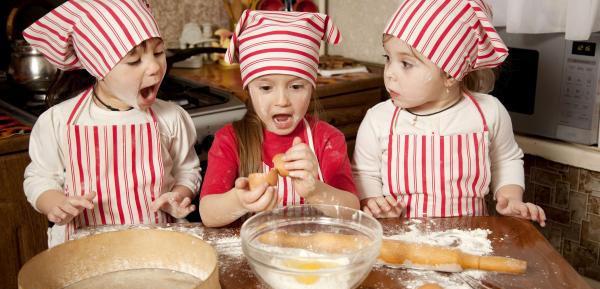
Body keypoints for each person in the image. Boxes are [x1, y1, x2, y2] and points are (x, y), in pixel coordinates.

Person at [22, 0, 201, 247]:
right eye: (134, 60)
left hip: (159, 245)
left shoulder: (171, 117)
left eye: (158, 53)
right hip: (83, 251)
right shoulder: (58, 121)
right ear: (100, 69)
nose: (154, 67)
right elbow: (39, 177)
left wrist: (180, 195)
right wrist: (53, 202)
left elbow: (187, 170)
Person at [352, 0, 546, 225]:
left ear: (451, 74)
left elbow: (506, 160)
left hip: (470, 239)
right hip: (400, 240)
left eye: (406, 63)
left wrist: (511, 198)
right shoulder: (379, 119)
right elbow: (364, 174)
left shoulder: (488, 113)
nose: (390, 74)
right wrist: (375, 203)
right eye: (388, 58)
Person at [199, 10, 359, 227]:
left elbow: (352, 211)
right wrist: (239, 201)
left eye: (296, 86)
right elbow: (208, 215)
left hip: (313, 256)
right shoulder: (230, 140)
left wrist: (315, 190)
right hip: (255, 256)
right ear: (249, 89)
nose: (282, 100)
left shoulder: (327, 139)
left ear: (312, 87)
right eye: (266, 87)